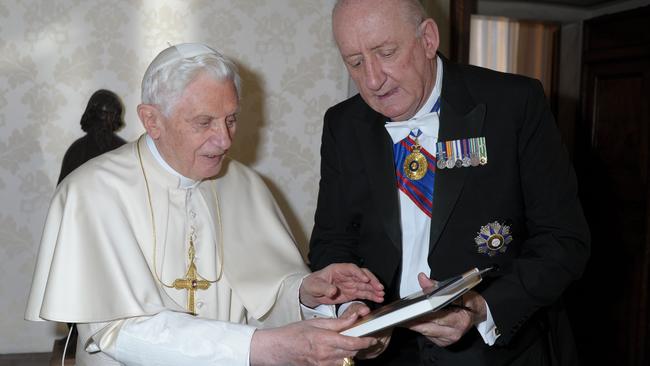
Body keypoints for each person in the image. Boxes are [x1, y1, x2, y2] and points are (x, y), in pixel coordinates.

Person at [26, 43, 385, 366]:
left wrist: (308, 295)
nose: (225, 138)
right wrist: (258, 348)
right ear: (152, 120)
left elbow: (263, 296)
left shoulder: (243, 185)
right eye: (204, 122)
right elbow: (119, 331)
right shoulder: (92, 192)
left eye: (231, 119)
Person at [308, 1, 590, 365]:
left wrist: (481, 307)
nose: (373, 80)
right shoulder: (342, 125)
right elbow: (332, 241)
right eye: (356, 62)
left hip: (495, 352)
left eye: (387, 53)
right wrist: (351, 303)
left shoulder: (514, 104)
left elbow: (564, 240)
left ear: (427, 39)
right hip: (386, 354)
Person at [57, 89, 127, 184]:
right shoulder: (77, 151)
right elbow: (63, 191)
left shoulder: (123, 151)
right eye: (102, 113)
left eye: (111, 115)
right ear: (92, 115)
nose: (106, 120)